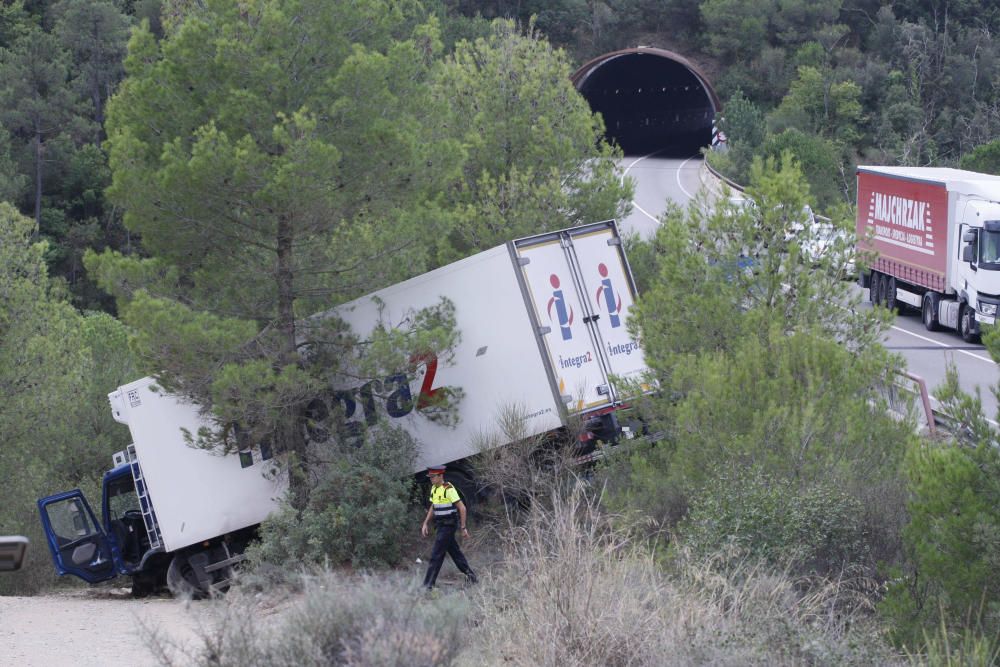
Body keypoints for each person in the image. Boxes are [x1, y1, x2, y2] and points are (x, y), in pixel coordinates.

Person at [421, 465, 477, 590]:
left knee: (436, 555)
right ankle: (472, 577)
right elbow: (433, 506)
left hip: (448, 526)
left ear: (441, 476)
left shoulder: (449, 489)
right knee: (455, 553)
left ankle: (427, 585)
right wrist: (425, 523)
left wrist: (463, 528)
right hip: (440, 526)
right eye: (430, 477)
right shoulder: (434, 489)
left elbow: (462, 508)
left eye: (433, 477)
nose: (431, 479)